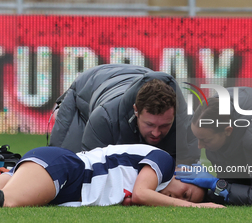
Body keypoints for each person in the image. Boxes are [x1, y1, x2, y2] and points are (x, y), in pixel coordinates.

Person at [0, 144, 224, 208]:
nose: (179, 199)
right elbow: (142, 194)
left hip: (62, 178)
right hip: (67, 169)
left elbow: (139, 195)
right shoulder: (164, 161)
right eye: (186, 194)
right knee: (7, 202)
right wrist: (199, 208)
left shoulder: (150, 185)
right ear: (183, 175)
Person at [49, 64, 199, 164]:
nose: (156, 133)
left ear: (174, 116)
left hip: (136, 76)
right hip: (87, 88)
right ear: (136, 110)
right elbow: (94, 172)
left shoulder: (187, 125)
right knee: (64, 164)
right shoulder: (104, 118)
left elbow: (187, 171)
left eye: (164, 125)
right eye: (149, 124)